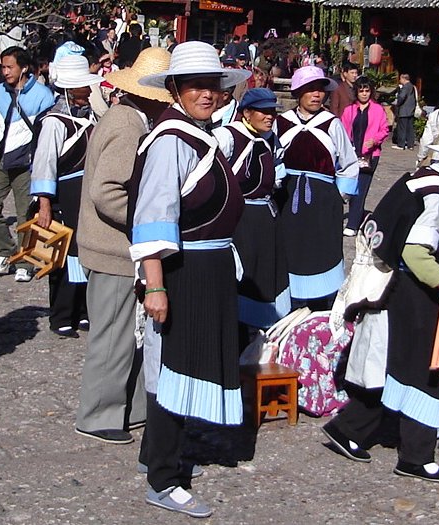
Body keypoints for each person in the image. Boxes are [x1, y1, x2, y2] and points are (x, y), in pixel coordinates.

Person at [322, 127, 439, 484]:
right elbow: (416, 253)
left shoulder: (421, 178)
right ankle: (417, 456)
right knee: (422, 369)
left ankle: (349, 429)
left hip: (391, 288)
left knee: (391, 364)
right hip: (410, 292)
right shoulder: (438, 196)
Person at [129, 41, 250, 518]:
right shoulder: (169, 142)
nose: (207, 93)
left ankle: (153, 456)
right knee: (173, 367)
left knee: (182, 364)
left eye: (213, 85)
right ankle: (163, 477)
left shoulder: (202, 136)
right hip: (184, 272)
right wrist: (155, 286)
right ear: (176, 89)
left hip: (211, 269)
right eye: (196, 85)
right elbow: (153, 219)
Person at [76, 47, 172, 445]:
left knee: (125, 336)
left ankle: (126, 410)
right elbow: (107, 191)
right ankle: (98, 415)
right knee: (113, 337)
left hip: (113, 248)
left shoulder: (126, 118)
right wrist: (145, 223)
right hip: (112, 248)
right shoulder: (127, 124)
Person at [276, 65, 359, 311]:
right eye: (310, 90)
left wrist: (337, 196)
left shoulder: (331, 124)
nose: (316, 95)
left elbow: (349, 162)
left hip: (322, 202)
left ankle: (320, 304)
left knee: (319, 250)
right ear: (298, 93)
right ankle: (287, 303)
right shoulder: (282, 123)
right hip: (287, 198)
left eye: (320, 90)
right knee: (290, 249)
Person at [30, 54, 101, 338]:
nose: (88, 92)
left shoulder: (90, 116)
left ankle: (83, 311)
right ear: (71, 89)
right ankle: (61, 315)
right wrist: (44, 204)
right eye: (83, 88)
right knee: (61, 257)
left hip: (86, 195)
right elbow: (44, 163)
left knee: (83, 252)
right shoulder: (54, 122)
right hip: (64, 196)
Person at [213, 87, 290, 333]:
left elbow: (277, 173)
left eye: (273, 113)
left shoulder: (270, 139)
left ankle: (260, 330)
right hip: (240, 221)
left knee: (263, 275)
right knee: (242, 276)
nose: (270, 117)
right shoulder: (227, 136)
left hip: (266, 221)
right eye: (264, 112)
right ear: (247, 113)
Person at [0, 46, 55, 282]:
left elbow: (46, 131)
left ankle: (25, 261)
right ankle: (6, 252)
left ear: (23, 68)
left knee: (25, 214)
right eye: (3, 66)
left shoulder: (43, 95)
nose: (5, 71)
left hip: (26, 163)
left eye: (9, 66)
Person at [340, 75, 389, 236]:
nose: (364, 94)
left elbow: (384, 129)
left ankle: (353, 224)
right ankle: (352, 215)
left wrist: (374, 141)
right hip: (351, 154)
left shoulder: (377, 110)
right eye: (361, 91)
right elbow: (343, 131)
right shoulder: (349, 110)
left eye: (367, 91)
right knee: (349, 187)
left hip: (369, 155)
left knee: (361, 189)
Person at [393, 73, 417, 150]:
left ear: (403, 79)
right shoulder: (412, 86)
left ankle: (401, 144)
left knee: (402, 128)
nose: (400, 81)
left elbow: (402, 97)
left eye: (400, 79)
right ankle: (410, 145)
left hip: (404, 111)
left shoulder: (405, 87)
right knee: (410, 128)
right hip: (410, 110)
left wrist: (398, 103)